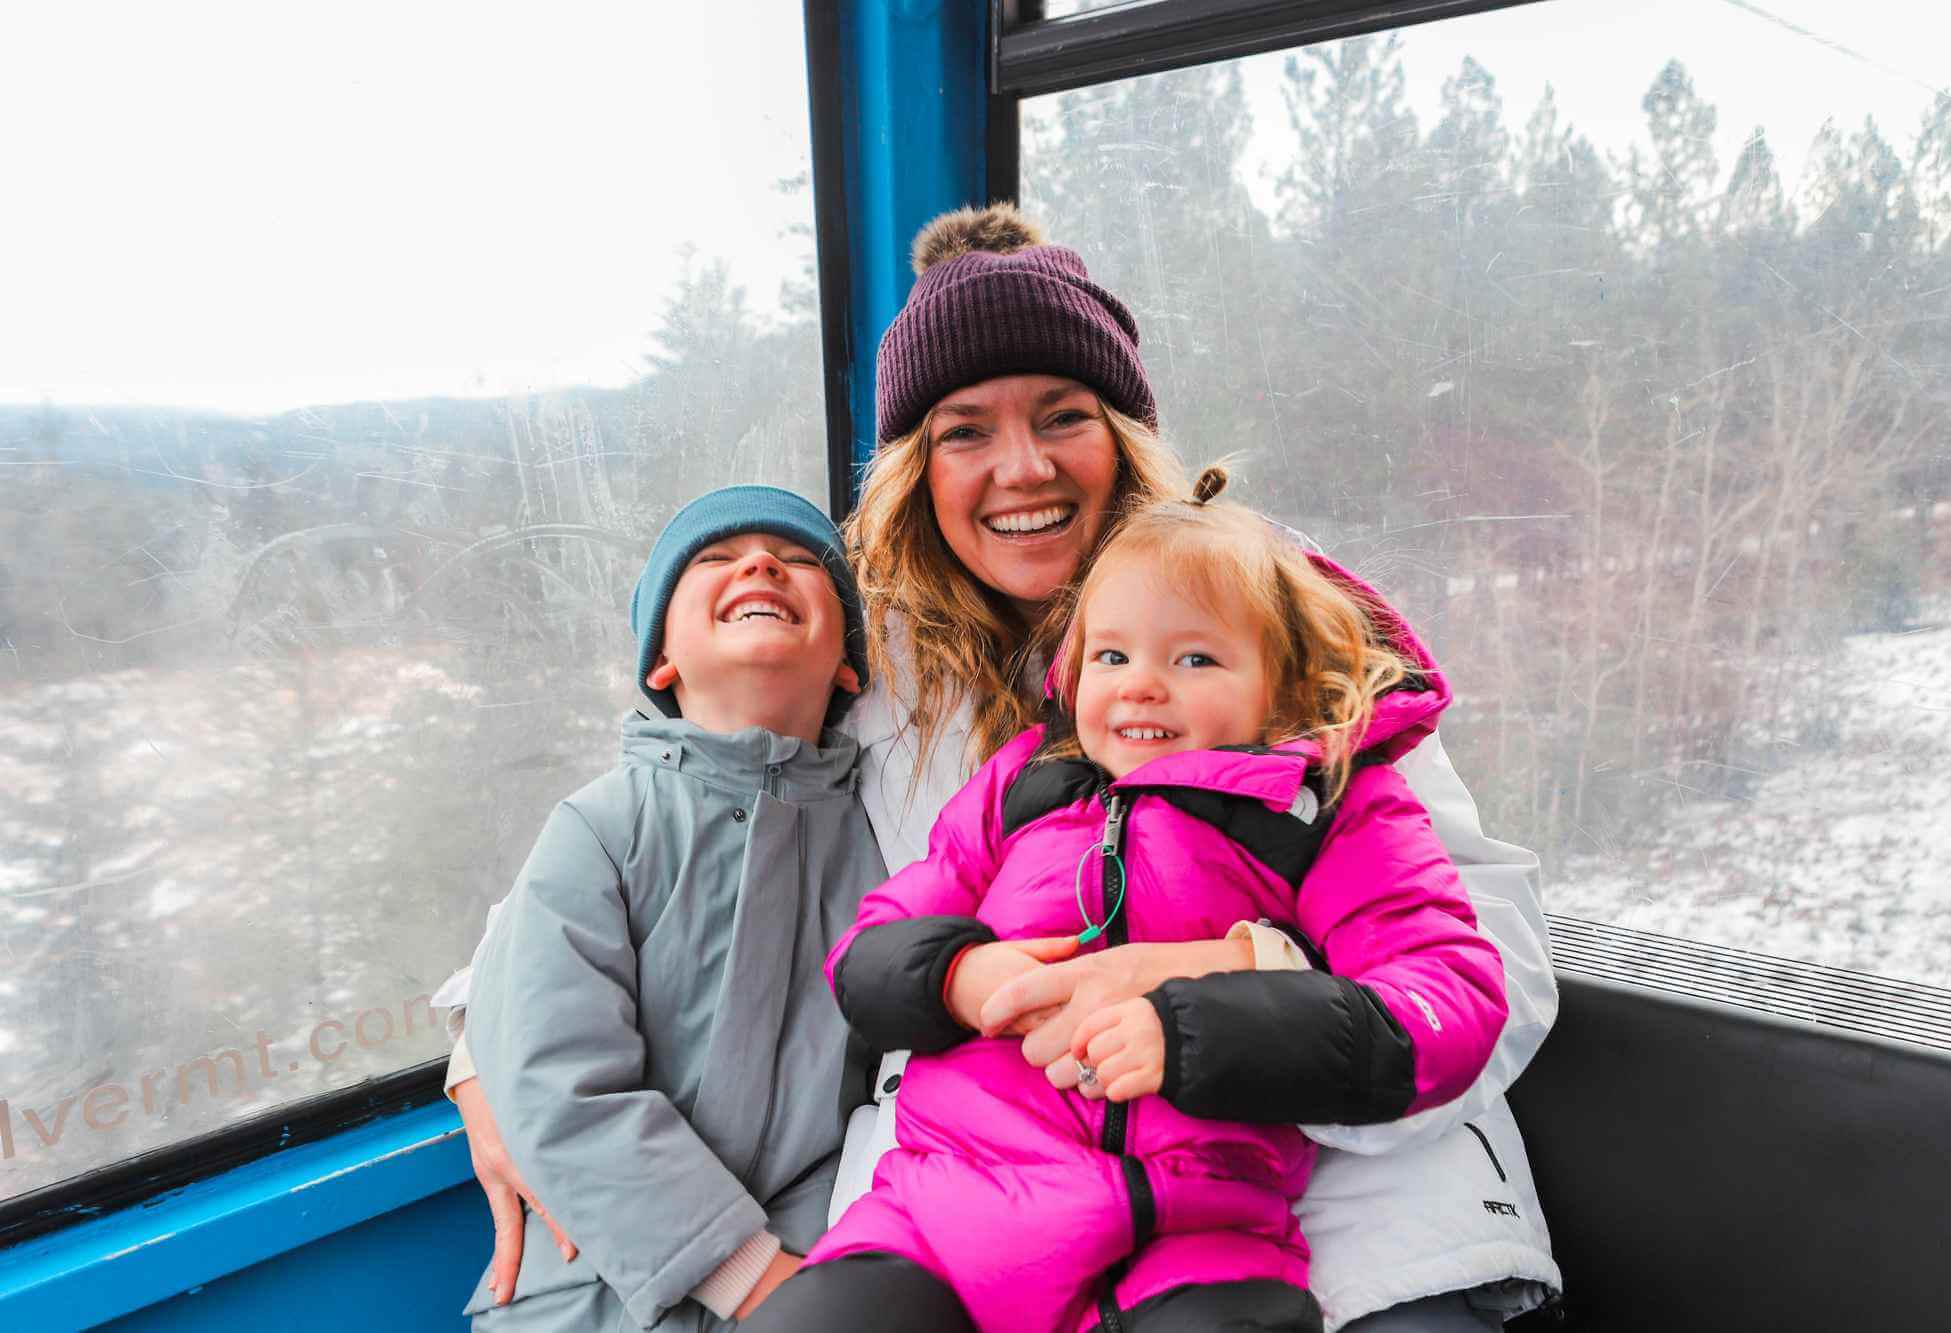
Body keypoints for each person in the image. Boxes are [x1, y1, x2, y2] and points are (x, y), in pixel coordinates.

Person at [439, 203, 1561, 1330]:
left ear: (1123, 435)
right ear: (915, 471)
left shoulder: (1271, 622)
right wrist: (484, 1049)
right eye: (964, 430)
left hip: (1331, 1198)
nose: (1019, 468)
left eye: (1061, 415)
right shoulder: (878, 659)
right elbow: (678, 810)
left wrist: (1228, 970)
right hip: (989, 1200)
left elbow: (1486, 963)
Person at [742, 473, 1509, 1333]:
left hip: (1185, 1236)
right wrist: (957, 975)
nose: (1141, 684)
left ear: (1282, 681)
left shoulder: (1324, 808)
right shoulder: (1025, 787)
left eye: (1194, 658)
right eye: (1112, 655)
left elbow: (1448, 998)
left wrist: (1192, 1023)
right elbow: (870, 944)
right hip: (940, 1217)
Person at [457, 486, 887, 1331]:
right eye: (715, 561)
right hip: (586, 1292)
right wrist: (751, 1275)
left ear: (848, 665)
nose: (760, 563)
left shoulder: (879, 845)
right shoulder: (600, 828)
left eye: (799, 560)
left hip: (814, 1272)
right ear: (663, 663)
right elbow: (557, 1080)